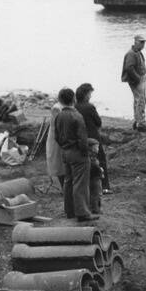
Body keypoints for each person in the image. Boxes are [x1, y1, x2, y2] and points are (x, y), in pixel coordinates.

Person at [53, 87, 96, 223]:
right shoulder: (76, 116)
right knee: (80, 183)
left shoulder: (59, 115)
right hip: (77, 152)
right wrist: (85, 152)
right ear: (74, 99)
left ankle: (70, 211)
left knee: (68, 182)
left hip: (65, 152)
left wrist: (64, 147)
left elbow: (57, 136)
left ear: (60, 100)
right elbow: (82, 138)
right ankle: (82, 213)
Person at [75, 83, 111, 194]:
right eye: (90, 94)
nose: (90, 96)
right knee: (100, 160)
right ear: (86, 95)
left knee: (84, 161)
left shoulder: (75, 107)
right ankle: (105, 186)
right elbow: (98, 122)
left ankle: (87, 187)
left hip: (81, 138)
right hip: (93, 136)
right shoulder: (89, 106)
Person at [121, 34, 146, 131]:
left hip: (140, 78)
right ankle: (140, 122)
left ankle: (138, 120)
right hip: (137, 80)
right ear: (135, 42)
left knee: (139, 100)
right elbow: (129, 68)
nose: (143, 44)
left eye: (143, 42)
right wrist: (137, 79)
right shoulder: (131, 53)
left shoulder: (137, 52)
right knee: (140, 100)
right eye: (141, 42)